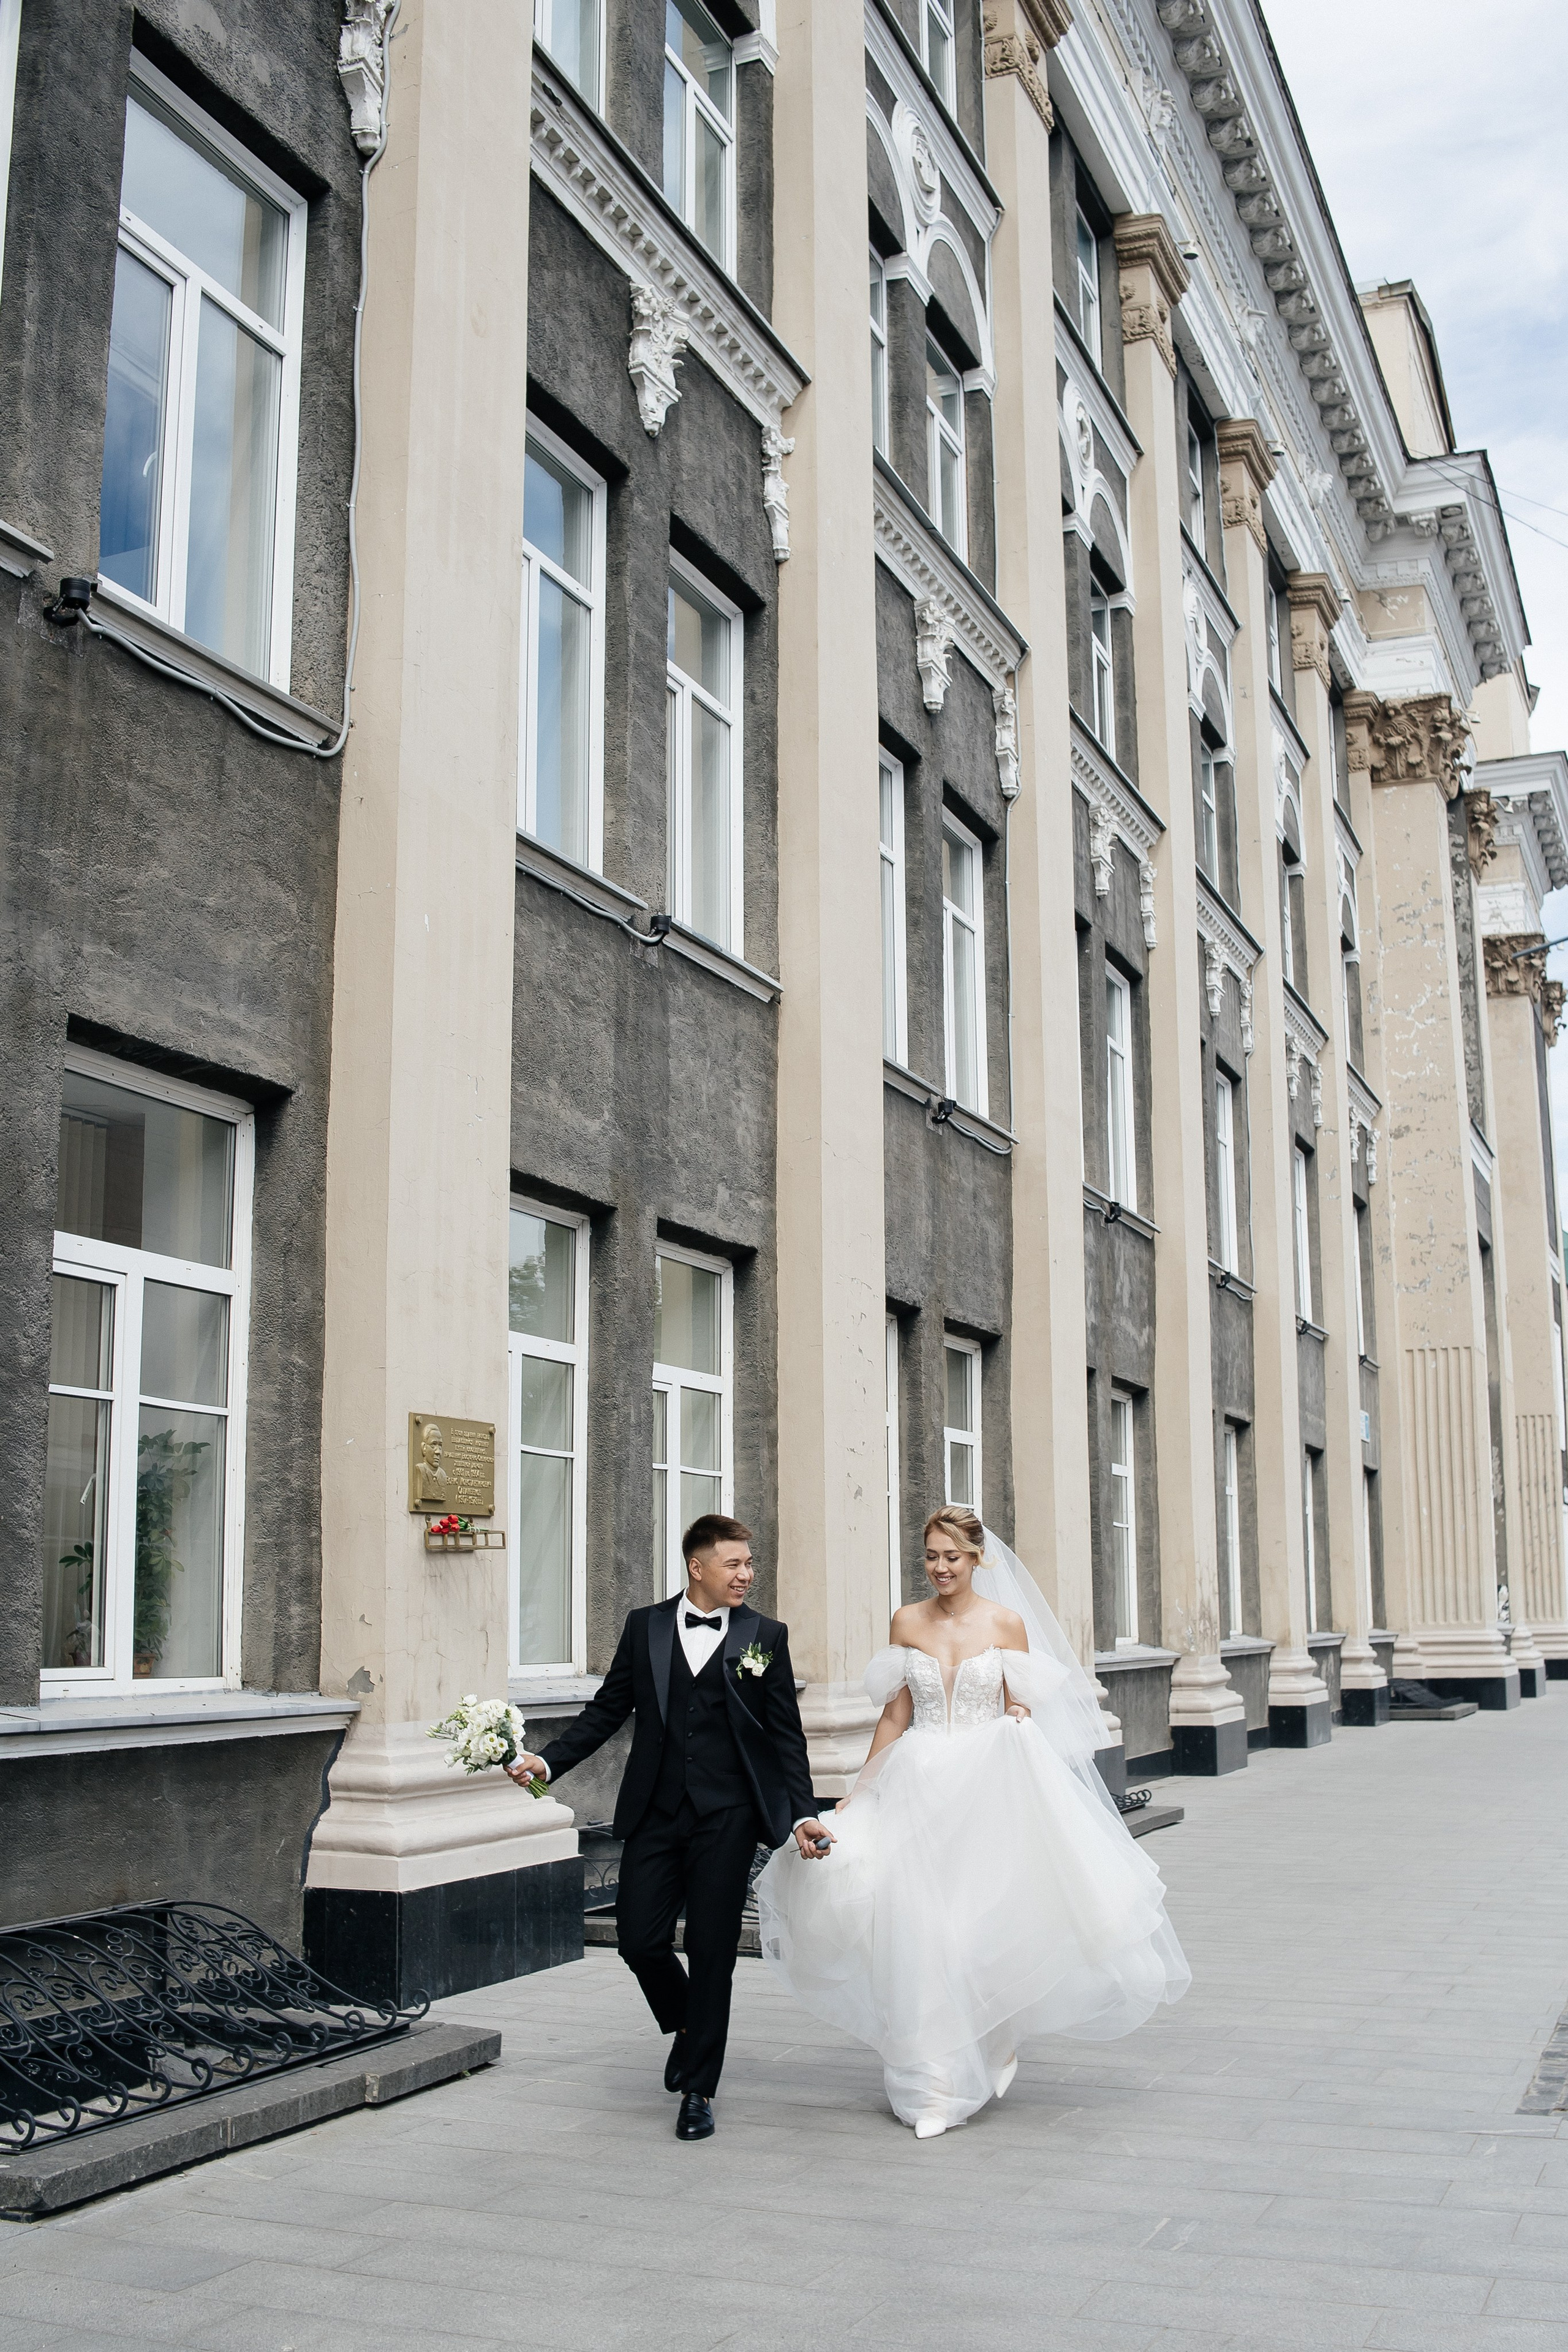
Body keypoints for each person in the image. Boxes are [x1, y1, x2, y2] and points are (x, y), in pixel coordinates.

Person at [755, 1505, 1191, 2139]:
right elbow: (896, 1716)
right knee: (918, 1930)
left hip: (987, 1787)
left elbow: (1024, 1706)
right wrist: (858, 1792)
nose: (939, 1568)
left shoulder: (1005, 1623)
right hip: (918, 1781)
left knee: (974, 1927)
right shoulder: (906, 1621)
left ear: (977, 1558)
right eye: (930, 1555)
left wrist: (1018, 1718)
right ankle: (932, 2086)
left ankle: (996, 2034)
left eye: (951, 1557)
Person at [507, 1515, 834, 2141]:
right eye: (735, 1564)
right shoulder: (646, 1626)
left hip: (728, 1816)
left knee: (712, 1952)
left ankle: (698, 2089)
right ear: (697, 1566)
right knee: (639, 1940)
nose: (747, 1575)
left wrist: (802, 1812)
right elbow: (606, 1711)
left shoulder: (764, 1635)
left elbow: (785, 1736)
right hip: (655, 1812)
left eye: (749, 1564)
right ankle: (690, 2024)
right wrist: (548, 1763)